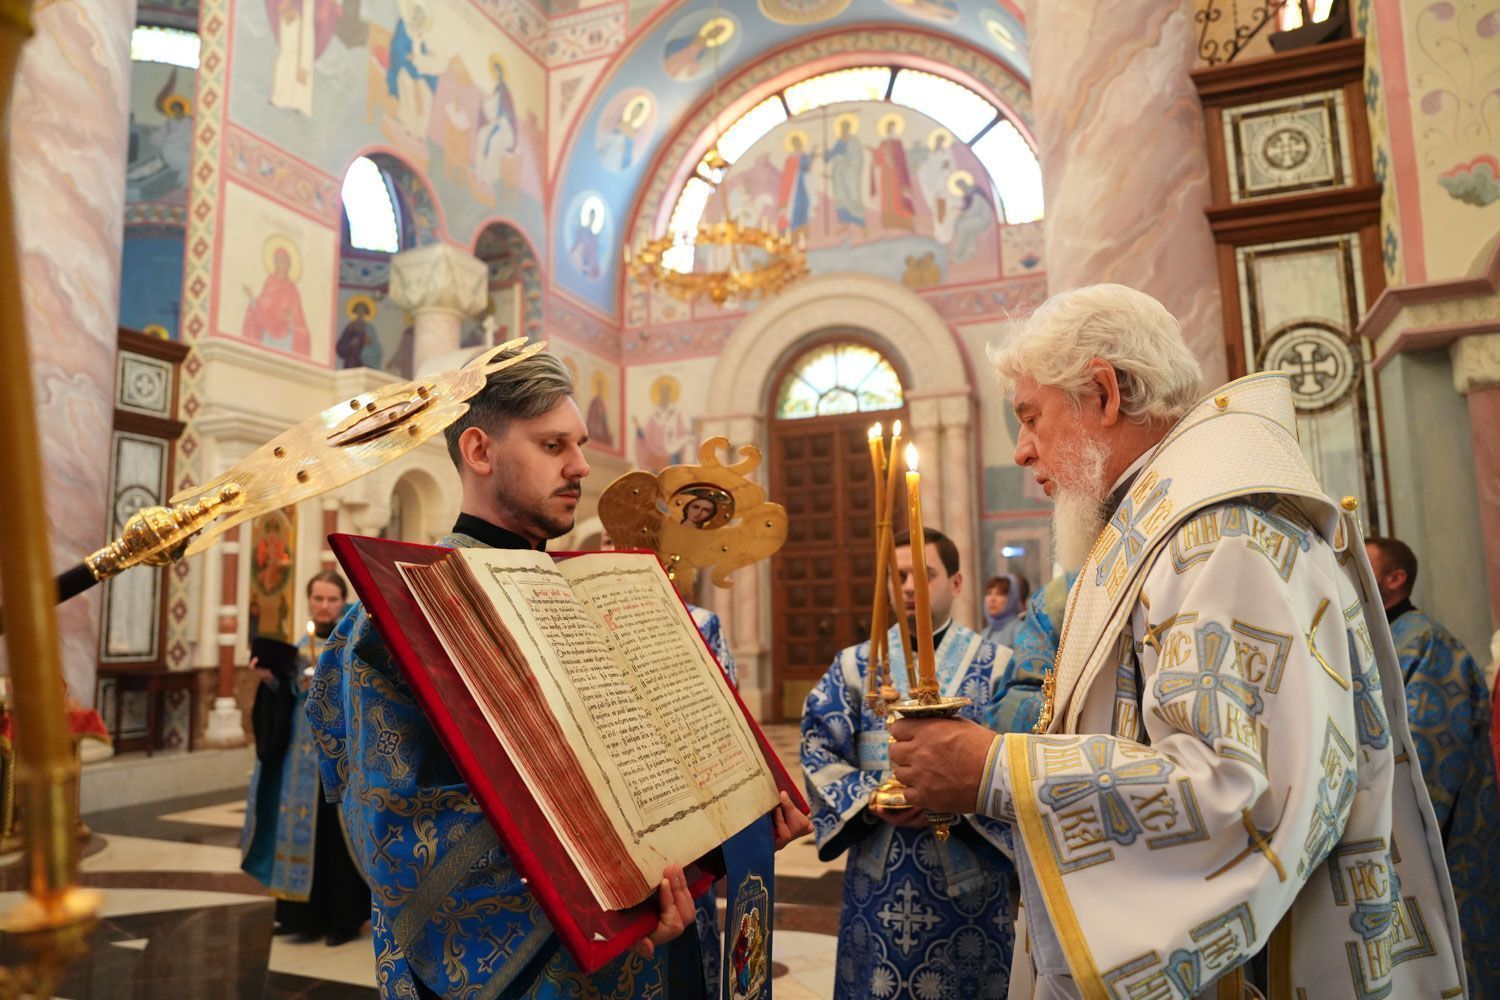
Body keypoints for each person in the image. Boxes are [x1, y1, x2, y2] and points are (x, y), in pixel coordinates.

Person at [888, 284, 1465, 997]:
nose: (1022, 449)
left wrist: (994, 771)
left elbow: (1237, 794)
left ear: (1104, 394)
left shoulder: (1221, 539)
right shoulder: (1165, 530)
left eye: (1031, 416)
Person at [309, 349, 807, 998]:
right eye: (552, 445)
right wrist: (616, 898)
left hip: (643, 964)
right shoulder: (396, 616)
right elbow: (393, 830)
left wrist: (737, 814)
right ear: (479, 451)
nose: (580, 466)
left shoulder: (602, 598)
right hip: (520, 976)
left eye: (580, 445)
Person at [802, 528, 1015, 999]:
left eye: (923, 574)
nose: (909, 587)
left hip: (970, 888)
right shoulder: (855, 666)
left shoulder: (1001, 666)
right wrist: (870, 799)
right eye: (898, 576)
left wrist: (956, 795)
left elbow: (1019, 760)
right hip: (878, 881)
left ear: (956, 583)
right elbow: (819, 747)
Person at [1366, 535, 1500, 996]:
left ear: (1395, 579)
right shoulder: (1375, 641)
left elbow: (1426, 770)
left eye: (1363, 564)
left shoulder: (1427, 644)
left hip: (1435, 848)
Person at [242, 570, 369, 947]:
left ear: (342, 602)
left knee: (335, 841)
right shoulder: (300, 646)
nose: (324, 606)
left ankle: (344, 919)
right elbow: (287, 697)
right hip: (299, 761)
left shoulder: (354, 643)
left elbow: (366, 697)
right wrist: (271, 681)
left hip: (340, 760)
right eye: (318, 598)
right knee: (298, 833)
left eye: (331, 599)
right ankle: (300, 916)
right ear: (309, 600)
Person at [981, 572, 1028, 648]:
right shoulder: (984, 633)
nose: (992, 599)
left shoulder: (1022, 631)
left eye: (999, 594)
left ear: (1011, 599)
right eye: (989, 593)